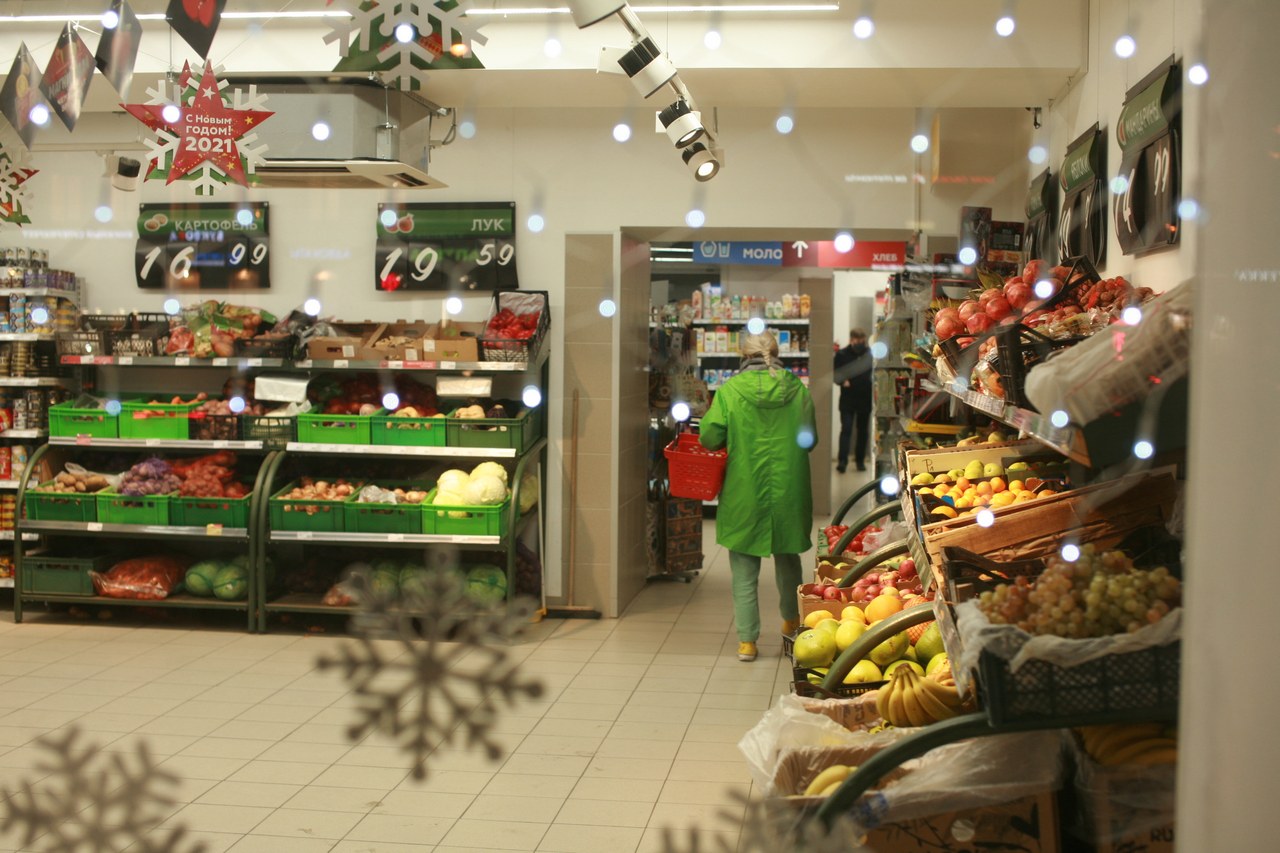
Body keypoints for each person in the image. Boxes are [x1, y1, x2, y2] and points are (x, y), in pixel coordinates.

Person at [699, 332, 817, 662]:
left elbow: (709, 437)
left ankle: (747, 641)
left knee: (743, 568)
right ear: (777, 353)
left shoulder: (730, 391)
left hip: (744, 489)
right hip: (789, 489)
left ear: (744, 356)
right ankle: (791, 623)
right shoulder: (797, 389)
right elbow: (809, 440)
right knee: (789, 560)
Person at [833, 328, 874, 472]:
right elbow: (835, 374)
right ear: (851, 340)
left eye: (862, 341)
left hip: (865, 398)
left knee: (862, 431)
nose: (860, 343)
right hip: (848, 399)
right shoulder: (842, 354)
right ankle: (842, 461)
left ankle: (860, 461)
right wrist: (842, 381)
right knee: (846, 429)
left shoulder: (870, 354)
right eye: (857, 341)